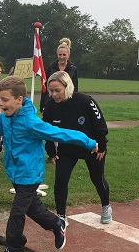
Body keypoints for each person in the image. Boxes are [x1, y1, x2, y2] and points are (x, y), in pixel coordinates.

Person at [0, 76, 97, 252]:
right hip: (15, 172)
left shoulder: (31, 123)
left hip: (29, 175)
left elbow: (59, 133)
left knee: (16, 213)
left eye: (4, 100)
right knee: (33, 209)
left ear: (19, 99)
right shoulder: (6, 117)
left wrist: (88, 141)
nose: (0, 103)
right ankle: (57, 224)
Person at [43, 71, 111, 224]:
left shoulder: (85, 101)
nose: (53, 94)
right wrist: (51, 151)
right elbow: (47, 130)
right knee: (61, 179)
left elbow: (100, 123)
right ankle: (61, 216)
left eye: (57, 90)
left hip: (92, 147)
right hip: (67, 149)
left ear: (67, 87)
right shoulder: (49, 105)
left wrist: (102, 146)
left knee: (97, 179)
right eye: (51, 90)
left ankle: (106, 206)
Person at [40, 37, 79, 112]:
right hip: (51, 101)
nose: (62, 57)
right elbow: (45, 87)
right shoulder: (51, 67)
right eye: (60, 54)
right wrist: (42, 105)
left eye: (64, 55)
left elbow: (75, 89)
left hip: (67, 103)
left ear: (68, 55)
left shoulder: (73, 69)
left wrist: (75, 105)